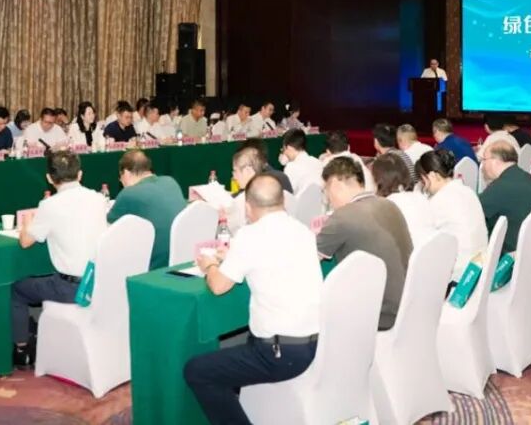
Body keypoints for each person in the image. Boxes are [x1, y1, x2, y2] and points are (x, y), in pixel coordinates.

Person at [183, 174, 321, 425]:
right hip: (316, 342)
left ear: (247, 207)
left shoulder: (250, 236)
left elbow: (218, 286)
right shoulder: (302, 230)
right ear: (283, 202)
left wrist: (210, 265)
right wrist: (232, 256)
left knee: (198, 371)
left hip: (279, 353)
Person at [11, 150, 109, 368]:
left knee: (17, 289)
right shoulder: (98, 198)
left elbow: (25, 241)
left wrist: (27, 223)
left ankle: (21, 349)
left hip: (71, 288)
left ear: (49, 178)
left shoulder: (49, 205)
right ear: (80, 174)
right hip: (100, 281)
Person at [318, 156, 411, 330]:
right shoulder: (390, 205)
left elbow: (308, 259)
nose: (327, 199)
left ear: (335, 185)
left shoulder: (342, 216)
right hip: (408, 306)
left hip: (378, 314)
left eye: (325, 191)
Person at [415, 150, 489, 282]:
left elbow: (420, 242)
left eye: (423, 180)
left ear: (432, 176)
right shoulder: (468, 191)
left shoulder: (438, 201)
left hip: (459, 278)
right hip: (481, 268)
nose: (424, 187)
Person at [478, 141, 531, 262]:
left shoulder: (502, 186)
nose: (482, 165)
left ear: (495, 161)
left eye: (484, 160)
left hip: (515, 260)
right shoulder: (524, 177)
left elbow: (474, 212)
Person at [109, 150, 185, 270]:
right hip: (181, 258)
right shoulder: (171, 181)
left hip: (152, 265)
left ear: (126, 173)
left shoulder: (129, 193)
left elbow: (109, 226)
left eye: (120, 177)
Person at [280, 128, 323, 196]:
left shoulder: (291, 167)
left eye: (283, 150)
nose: (284, 153)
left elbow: (288, 195)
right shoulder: (317, 162)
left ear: (289, 148)